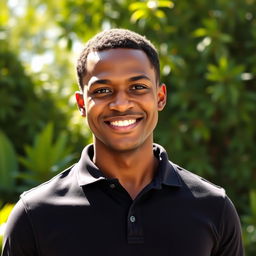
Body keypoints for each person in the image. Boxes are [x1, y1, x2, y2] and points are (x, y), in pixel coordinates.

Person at [2, 28, 244, 256]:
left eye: (137, 87)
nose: (121, 104)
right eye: (103, 91)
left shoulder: (214, 208)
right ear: (81, 104)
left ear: (160, 97)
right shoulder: (34, 214)